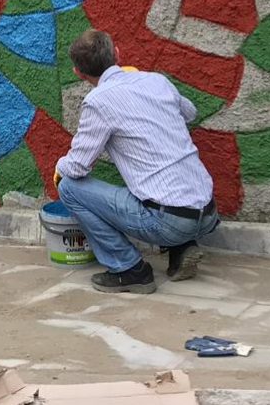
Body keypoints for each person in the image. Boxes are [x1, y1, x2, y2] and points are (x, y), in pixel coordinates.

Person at [54, 29, 220, 294]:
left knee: (69, 188)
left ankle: (129, 269)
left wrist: (58, 169)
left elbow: (77, 166)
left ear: (79, 73)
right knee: (153, 185)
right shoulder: (156, 81)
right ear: (117, 54)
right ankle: (182, 246)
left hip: (169, 221)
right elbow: (190, 113)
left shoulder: (98, 101)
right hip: (208, 212)